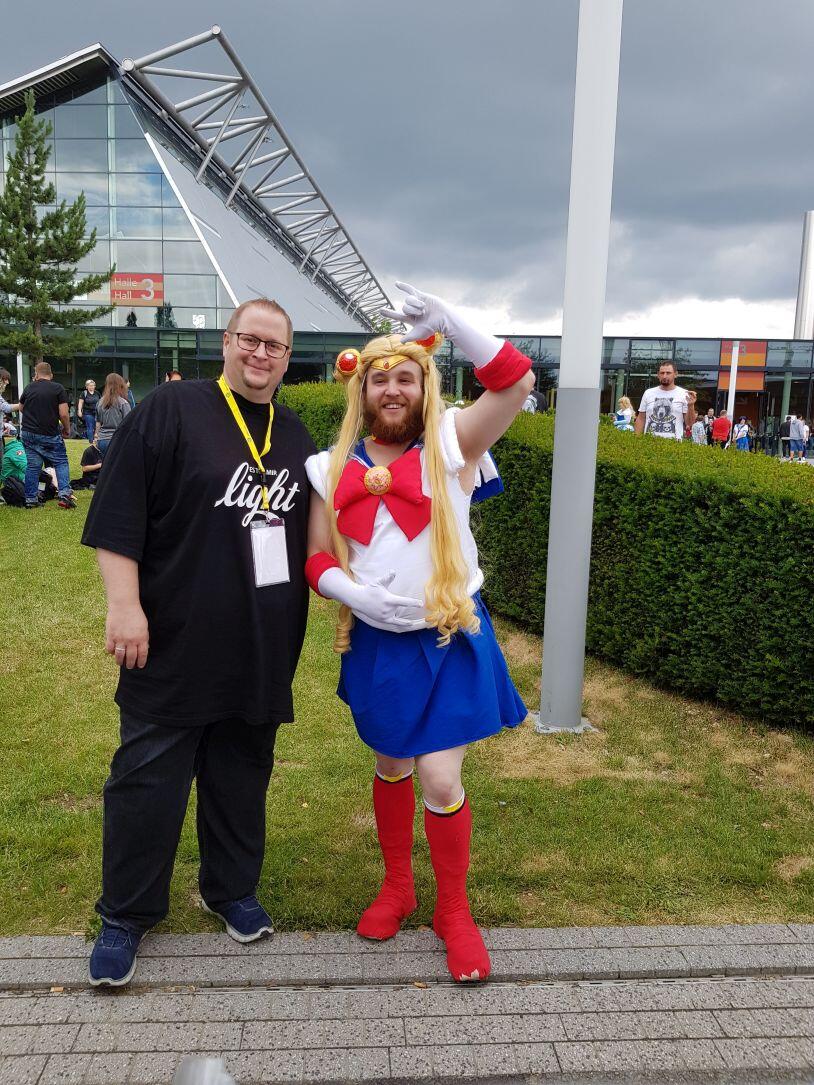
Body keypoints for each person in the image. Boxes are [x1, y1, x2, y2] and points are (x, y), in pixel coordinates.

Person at [81, 297, 316, 988]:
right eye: (250, 339)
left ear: (287, 358)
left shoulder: (296, 436)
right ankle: (126, 914)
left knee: (241, 774)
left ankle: (231, 890)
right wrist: (124, 606)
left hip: (261, 643)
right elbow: (118, 513)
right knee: (147, 780)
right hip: (173, 639)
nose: (261, 354)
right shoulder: (171, 410)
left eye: (274, 345)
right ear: (227, 341)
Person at [305, 282, 534, 984]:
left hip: (448, 633)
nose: (393, 389)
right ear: (361, 389)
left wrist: (451, 321)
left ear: (424, 384)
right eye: (381, 379)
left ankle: (453, 910)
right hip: (379, 643)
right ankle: (398, 887)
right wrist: (354, 595)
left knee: (439, 775)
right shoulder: (330, 467)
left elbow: (514, 381)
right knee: (391, 763)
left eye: (406, 377)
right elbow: (316, 556)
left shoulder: (452, 442)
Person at [18, 361, 76, 510]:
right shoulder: (58, 388)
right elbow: (64, 413)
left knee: (33, 465)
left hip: (29, 433)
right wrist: (67, 429)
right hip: (49, 433)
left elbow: (21, 407)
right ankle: (64, 494)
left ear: (36, 374)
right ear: (51, 374)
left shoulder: (29, 387)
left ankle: (31, 498)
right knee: (61, 461)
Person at [634, 362, 696, 440]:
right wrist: (636, 440)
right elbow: (641, 419)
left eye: (668, 373)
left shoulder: (684, 394)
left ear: (675, 374)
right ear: (658, 375)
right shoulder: (648, 393)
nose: (664, 376)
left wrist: (691, 406)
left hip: (673, 443)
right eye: (662, 373)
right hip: (649, 442)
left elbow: (689, 424)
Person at [94, 373, 131, 457]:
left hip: (102, 440)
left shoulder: (100, 402)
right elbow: (128, 424)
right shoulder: (123, 403)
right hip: (118, 440)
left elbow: (98, 423)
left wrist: (96, 437)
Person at [1, 422, 27, 506]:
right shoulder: (15, 449)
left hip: (12, 483)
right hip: (14, 483)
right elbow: (26, 468)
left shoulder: (11, 449)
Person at [77, 379, 100, 443]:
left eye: (93, 385)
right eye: (90, 386)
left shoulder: (97, 393)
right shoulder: (84, 393)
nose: (91, 387)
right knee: (90, 426)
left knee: (97, 426)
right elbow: (80, 403)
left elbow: (101, 402)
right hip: (88, 412)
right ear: (87, 386)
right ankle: (91, 441)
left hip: (97, 412)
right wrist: (79, 411)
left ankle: (96, 439)